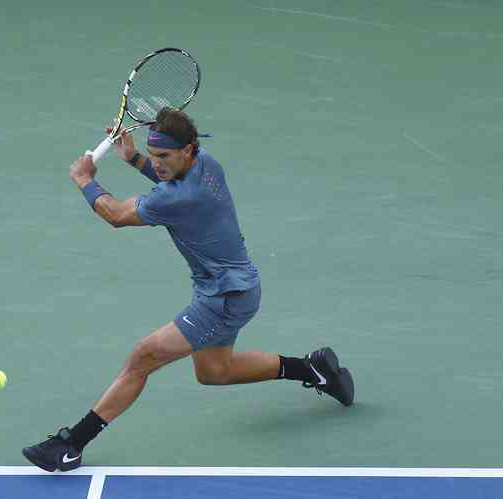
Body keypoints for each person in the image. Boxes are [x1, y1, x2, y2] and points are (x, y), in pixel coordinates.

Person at [23, 108, 354, 472]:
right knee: (214, 372)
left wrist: (85, 180)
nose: (157, 163)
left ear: (188, 150)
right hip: (233, 289)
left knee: (143, 356)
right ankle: (312, 369)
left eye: (164, 156)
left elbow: (116, 214)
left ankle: (71, 444)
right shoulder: (206, 163)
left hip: (223, 300)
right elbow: (167, 179)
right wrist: (133, 158)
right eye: (153, 155)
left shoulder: (181, 198)